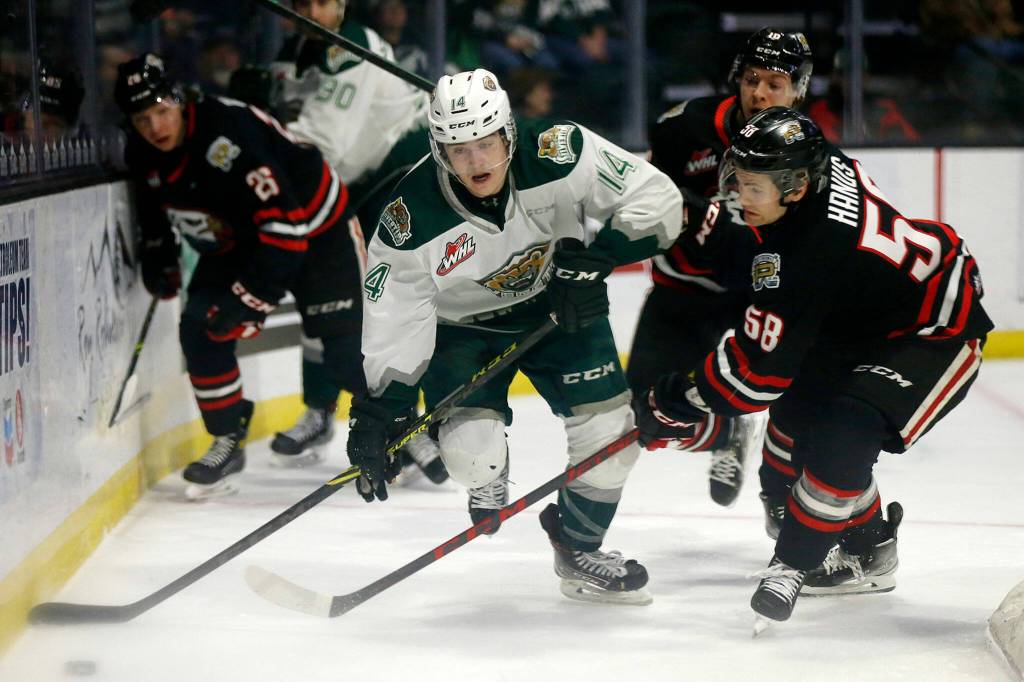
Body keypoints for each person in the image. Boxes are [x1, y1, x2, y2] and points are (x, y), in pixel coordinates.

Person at [633, 106, 993, 626]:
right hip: (862, 317)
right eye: (736, 177)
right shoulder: (819, 163)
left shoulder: (805, 257)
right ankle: (869, 546)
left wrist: (683, 401)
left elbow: (758, 377)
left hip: (936, 327)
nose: (737, 195)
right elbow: (771, 373)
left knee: (844, 432)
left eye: (752, 188)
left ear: (796, 188)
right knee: (793, 423)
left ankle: (792, 565)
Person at [348, 68, 682, 604]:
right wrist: (380, 409)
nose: (476, 162)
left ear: (508, 131)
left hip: (558, 307)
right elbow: (395, 317)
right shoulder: (409, 219)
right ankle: (487, 475)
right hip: (462, 332)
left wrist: (597, 260)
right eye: (459, 150)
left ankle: (578, 549)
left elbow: (659, 201)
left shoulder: (561, 150)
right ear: (439, 150)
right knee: (471, 457)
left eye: (485, 143)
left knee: (613, 437)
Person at [116, 53, 367, 499]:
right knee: (200, 328)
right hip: (242, 238)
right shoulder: (143, 151)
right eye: (143, 118)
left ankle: (404, 428)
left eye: (161, 111)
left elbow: (286, 231)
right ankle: (227, 440)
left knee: (344, 344)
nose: (155, 126)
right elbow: (154, 202)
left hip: (316, 226)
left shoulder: (224, 137)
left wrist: (250, 300)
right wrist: (160, 252)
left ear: (180, 100)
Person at [627, 28, 813, 510]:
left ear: (797, 90)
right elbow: (650, 203)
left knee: (805, 398)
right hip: (685, 289)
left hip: (757, 292)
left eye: (776, 82)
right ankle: (724, 430)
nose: (760, 92)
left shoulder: (806, 151)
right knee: (642, 415)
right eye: (753, 78)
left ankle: (792, 499)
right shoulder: (684, 127)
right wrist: (689, 216)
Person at [265, 0, 445, 482]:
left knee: (386, 304)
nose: (310, 11)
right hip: (348, 189)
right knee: (324, 295)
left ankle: (413, 420)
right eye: (300, 3)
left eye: (320, 2)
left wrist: (261, 135)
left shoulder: (351, 48)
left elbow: (327, 143)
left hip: (395, 180)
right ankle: (321, 409)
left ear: (340, 5)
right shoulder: (299, 51)